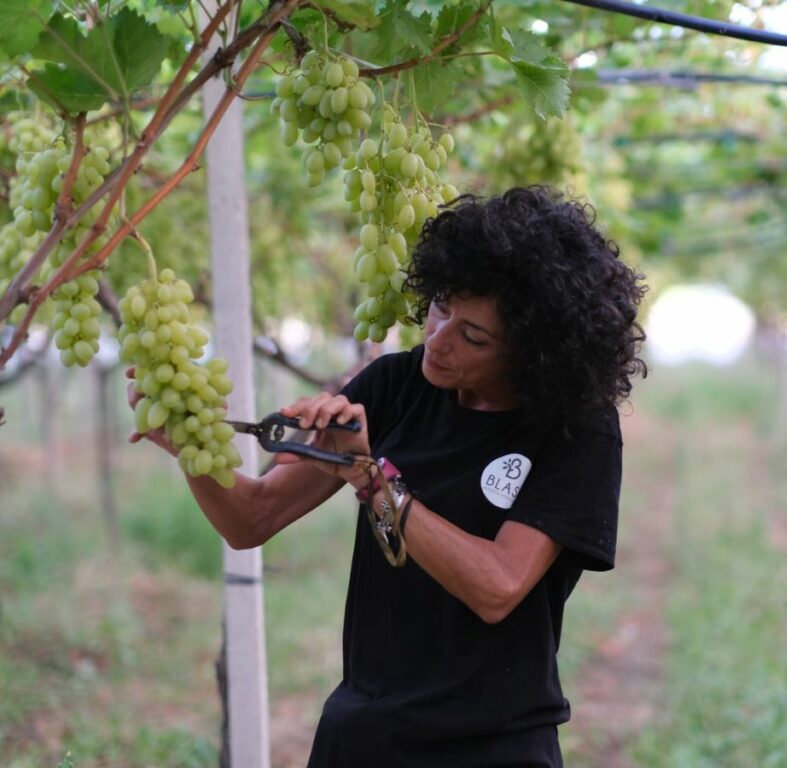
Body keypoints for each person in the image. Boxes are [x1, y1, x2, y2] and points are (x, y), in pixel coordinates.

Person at [129, 186, 647, 767]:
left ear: (534, 356)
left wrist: (370, 475)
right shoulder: (393, 387)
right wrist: (186, 445)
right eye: (441, 307)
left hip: (493, 747)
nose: (437, 339)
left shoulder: (575, 430)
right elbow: (253, 518)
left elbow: (497, 587)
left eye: (472, 336)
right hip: (364, 738)